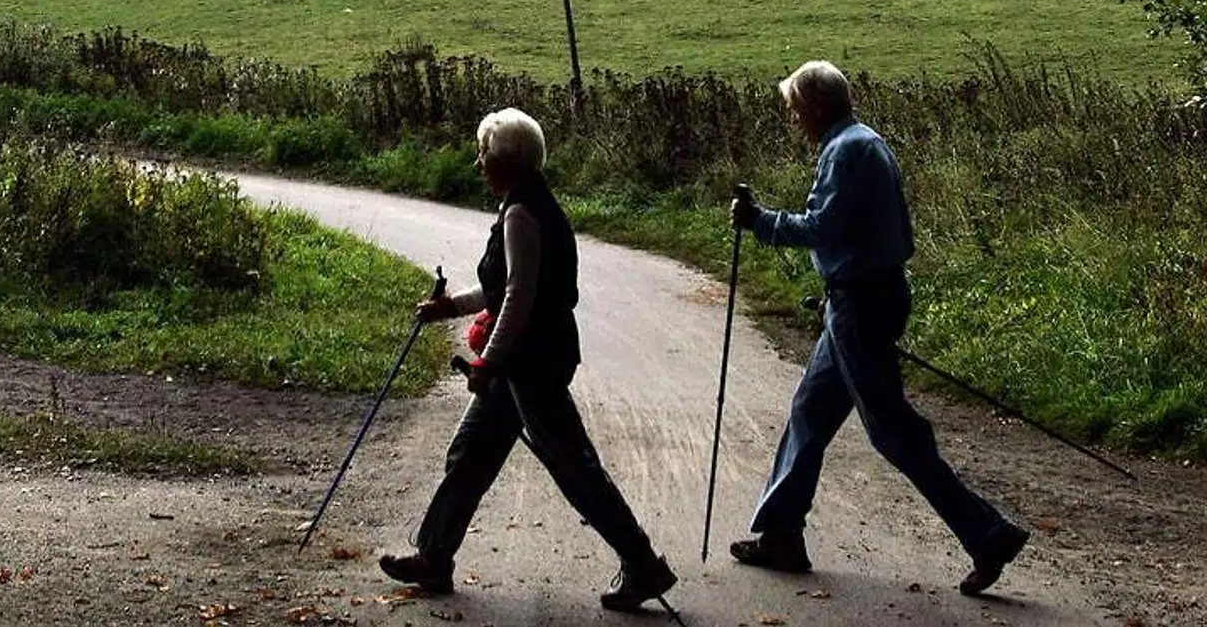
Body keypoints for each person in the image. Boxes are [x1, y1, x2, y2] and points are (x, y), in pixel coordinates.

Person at [728, 61, 1029, 597]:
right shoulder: (863, 142)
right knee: (810, 412)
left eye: (795, 108)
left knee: (893, 432)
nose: (793, 118)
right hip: (862, 299)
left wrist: (760, 222)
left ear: (817, 106)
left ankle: (987, 535)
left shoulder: (846, 152)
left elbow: (824, 227)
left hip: (861, 305)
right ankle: (781, 535)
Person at [379, 107, 678, 612]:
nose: (478, 164)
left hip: (533, 360)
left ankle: (643, 564)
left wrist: (488, 362)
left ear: (507, 161)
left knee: (573, 467)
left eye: (484, 154)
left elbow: (520, 295)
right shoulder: (528, 204)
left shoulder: (521, 213)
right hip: (526, 357)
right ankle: (434, 556)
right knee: (471, 451)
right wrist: (450, 307)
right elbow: (502, 288)